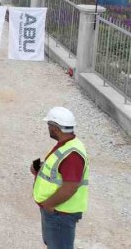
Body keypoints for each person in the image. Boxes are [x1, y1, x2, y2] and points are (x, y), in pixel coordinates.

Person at [32, 107, 89, 249]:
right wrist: (39, 170)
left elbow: (70, 187)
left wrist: (49, 205)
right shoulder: (67, 145)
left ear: (56, 129)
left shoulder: (72, 155)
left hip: (60, 213)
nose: (48, 128)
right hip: (56, 211)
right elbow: (58, 171)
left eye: (49, 126)